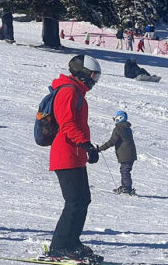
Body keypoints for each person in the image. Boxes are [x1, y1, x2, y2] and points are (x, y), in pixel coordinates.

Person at [46, 55, 102, 262]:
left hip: (75, 155)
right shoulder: (68, 91)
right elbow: (67, 124)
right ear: (83, 73)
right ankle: (59, 247)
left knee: (82, 200)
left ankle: (72, 242)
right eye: (94, 77)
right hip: (66, 154)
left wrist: (86, 148)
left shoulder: (76, 91)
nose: (94, 82)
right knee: (74, 201)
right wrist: (86, 144)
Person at [99, 111, 137, 195]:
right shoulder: (127, 128)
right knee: (125, 170)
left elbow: (112, 141)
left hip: (125, 154)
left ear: (120, 118)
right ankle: (125, 186)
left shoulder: (118, 129)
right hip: (131, 154)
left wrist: (101, 148)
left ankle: (127, 188)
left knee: (125, 170)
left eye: (116, 118)